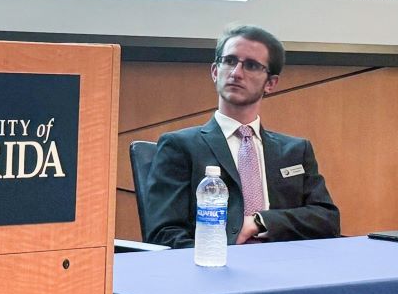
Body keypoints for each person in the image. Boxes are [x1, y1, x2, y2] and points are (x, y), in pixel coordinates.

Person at [144, 24, 339, 249]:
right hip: (214, 271)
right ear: (215, 72)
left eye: (251, 65)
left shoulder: (295, 150)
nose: (236, 73)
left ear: (271, 83)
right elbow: (163, 233)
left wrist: (259, 222)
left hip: (285, 267)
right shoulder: (180, 146)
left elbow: (327, 220)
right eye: (229, 61)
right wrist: (216, 257)